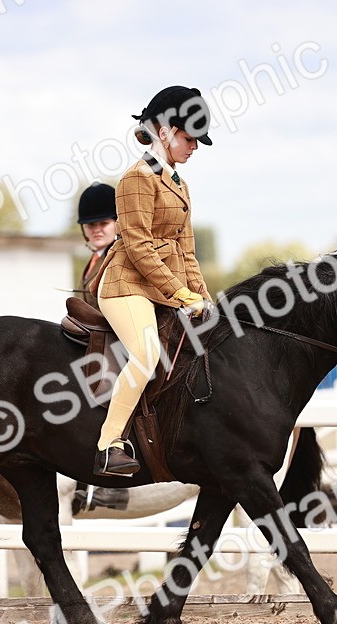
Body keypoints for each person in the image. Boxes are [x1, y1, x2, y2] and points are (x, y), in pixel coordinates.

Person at [93, 85, 213, 477]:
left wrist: (203, 297)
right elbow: (140, 247)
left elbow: (187, 251)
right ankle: (109, 444)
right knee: (145, 354)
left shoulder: (180, 184)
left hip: (162, 286)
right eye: (188, 137)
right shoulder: (135, 179)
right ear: (164, 132)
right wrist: (180, 293)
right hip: (126, 284)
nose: (193, 146)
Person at [76, 182, 118, 308]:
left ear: (117, 222)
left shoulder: (119, 257)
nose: (97, 230)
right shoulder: (96, 257)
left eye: (104, 223)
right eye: (91, 225)